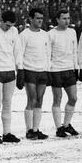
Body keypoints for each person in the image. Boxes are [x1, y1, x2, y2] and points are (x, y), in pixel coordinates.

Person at [0, 10, 22, 144]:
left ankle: (7, 132)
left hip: (10, 71)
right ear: (1, 21)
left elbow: (17, 50)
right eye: (7, 25)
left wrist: (20, 69)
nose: (9, 28)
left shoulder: (14, 31)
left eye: (11, 25)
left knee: (8, 103)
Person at [18, 8, 50, 140]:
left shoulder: (45, 34)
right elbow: (20, 54)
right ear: (30, 19)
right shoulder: (24, 35)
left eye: (41, 19)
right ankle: (29, 130)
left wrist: (48, 70)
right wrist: (20, 71)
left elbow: (48, 53)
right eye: (37, 18)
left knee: (40, 100)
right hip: (30, 70)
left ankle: (36, 129)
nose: (40, 21)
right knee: (32, 99)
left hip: (42, 71)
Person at [48, 10, 80, 137]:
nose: (67, 21)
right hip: (56, 70)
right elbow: (48, 54)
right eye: (64, 18)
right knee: (57, 99)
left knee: (73, 98)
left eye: (68, 18)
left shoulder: (72, 32)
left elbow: (74, 51)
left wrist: (76, 68)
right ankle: (59, 128)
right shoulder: (51, 34)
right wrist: (49, 71)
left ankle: (67, 124)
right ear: (57, 19)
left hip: (69, 70)